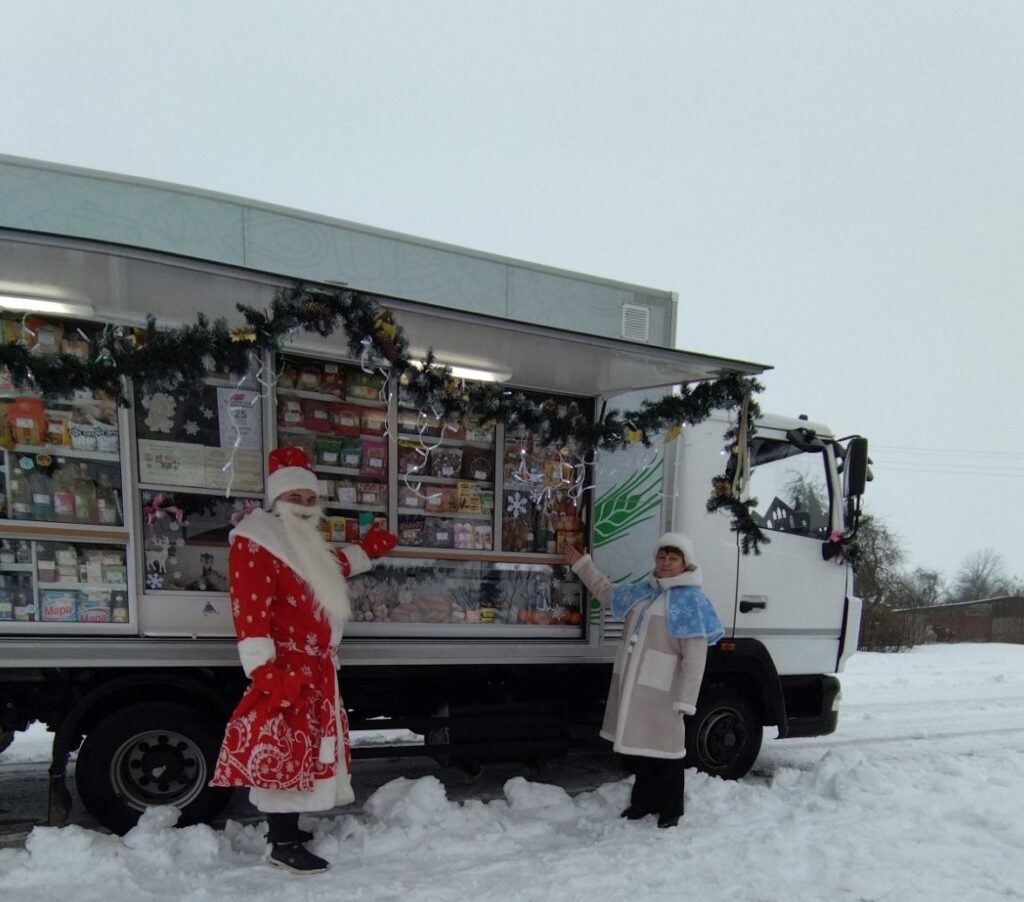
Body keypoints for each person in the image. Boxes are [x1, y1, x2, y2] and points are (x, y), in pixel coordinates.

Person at [211, 446, 397, 874]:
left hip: (316, 671)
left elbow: (331, 566)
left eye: (311, 499)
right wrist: (265, 674)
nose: (306, 506)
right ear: (278, 499)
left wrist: (369, 550)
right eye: (298, 498)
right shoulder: (256, 541)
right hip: (288, 671)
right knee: (285, 752)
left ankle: (288, 830)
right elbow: (250, 613)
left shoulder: (300, 541)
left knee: (309, 752)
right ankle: (282, 844)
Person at [563, 532, 723, 828]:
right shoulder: (645, 590)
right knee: (642, 750)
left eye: (673, 558)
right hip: (637, 688)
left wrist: (686, 699)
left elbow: (695, 657)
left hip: (665, 691)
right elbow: (606, 592)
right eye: (662, 557)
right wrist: (582, 564)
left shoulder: (693, 601)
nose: (665, 563)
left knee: (668, 752)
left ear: (684, 564)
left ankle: (671, 808)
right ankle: (643, 801)